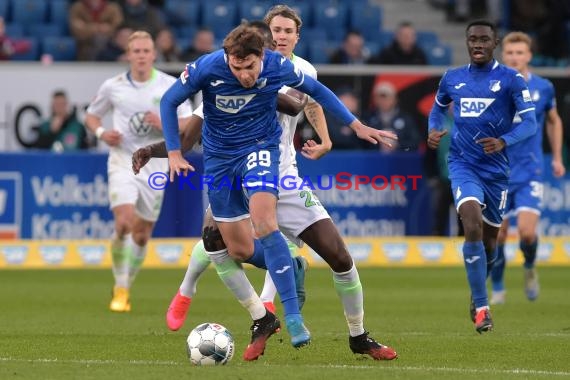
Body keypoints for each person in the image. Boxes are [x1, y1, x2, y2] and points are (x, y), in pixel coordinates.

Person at [137, 7, 398, 361]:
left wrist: (340, 132)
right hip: (228, 163)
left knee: (338, 256)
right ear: (266, 37)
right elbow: (189, 125)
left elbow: (314, 100)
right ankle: (238, 306)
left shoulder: (294, 69)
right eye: (275, 30)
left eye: (287, 30)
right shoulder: (218, 70)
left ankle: (356, 335)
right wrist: (162, 151)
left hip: (280, 170)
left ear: (295, 36)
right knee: (221, 241)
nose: (280, 36)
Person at [427, 20, 537, 334]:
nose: (477, 44)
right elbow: (437, 109)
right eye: (472, 39)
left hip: (496, 171)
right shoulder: (452, 78)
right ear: (467, 42)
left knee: (490, 242)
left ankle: (478, 291)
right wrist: (433, 130)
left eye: (484, 40)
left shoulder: (511, 80)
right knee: (471, 224)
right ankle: (482, 307)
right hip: (462, 164)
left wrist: (504, 141)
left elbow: (529, 124)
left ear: (494, 43)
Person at [84, 31, 192, 313]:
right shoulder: (113, 86)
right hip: (123, 161)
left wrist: (164, 120)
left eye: (146, 50)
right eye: (137, 51)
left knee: (142, 236)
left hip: (155, 166)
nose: (142, 56)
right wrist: (101, 132)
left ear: (154, 54)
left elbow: (190, 123)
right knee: (124, 222)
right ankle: (120, 288)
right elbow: (91, 115)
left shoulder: (169, 86)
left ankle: (127, 283)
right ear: (128, 55)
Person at [489, 31, 566, 305]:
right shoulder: (492, 86)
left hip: (529, 169)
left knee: (527, 232)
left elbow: (554, 121)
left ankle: (530, 267)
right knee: (497, 235)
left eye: (520, 52)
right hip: (497, 171)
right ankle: (497, 285)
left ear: (529, 56)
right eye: (510, 52)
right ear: (503, 55)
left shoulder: (543, 88)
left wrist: (556, 157)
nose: (514, 57)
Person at [363, 81, 422, 152]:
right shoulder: (367, 118)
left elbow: (415, 142)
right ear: (375, 99)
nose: (383, 101)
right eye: (380, 98)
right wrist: (378, 145)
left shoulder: (406, 119)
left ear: (395, 99)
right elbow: (361, 144)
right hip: (373, 160)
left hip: (400, 160)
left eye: (387, 97)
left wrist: (398, 145)